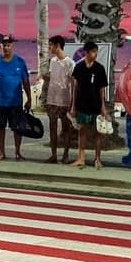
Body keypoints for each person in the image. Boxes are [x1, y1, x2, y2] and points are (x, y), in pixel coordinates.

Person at [0, 36, 31, 161]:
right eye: (4, 45)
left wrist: (29, 99)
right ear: (1, 46)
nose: (6, 47)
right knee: (0, 128)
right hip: (0, 101)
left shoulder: (20, 62)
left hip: (16, 102)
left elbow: (26, 82)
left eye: (8, 45)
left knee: (18, 128)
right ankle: (1, 152)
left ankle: (17, 152)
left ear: (12, 46)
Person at [69, 40, 108, 169]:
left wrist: (103, 106)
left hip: (96, 104)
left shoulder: (99, 68)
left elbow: (102, 89)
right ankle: (81, 158)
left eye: (96, 52)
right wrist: (73, 106)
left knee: (98, 132)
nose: (94, 54)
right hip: (82, 104)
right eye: (92, 52)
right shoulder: (79, 67)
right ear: (86, 52)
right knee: (82, 131)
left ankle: (97, 158)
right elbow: (75, 87)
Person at [41, 35, 74, 164]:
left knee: (66, 129)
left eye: (51, 45)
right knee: (52, 127)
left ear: (57, 45)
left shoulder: (70, 63)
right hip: (52, 98)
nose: (49, 47)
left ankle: (65, 155)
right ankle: (53, 154)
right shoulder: (53, 61)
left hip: (65, 100)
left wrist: (72, 102)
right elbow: (53, 76)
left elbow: (72, 82)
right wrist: (46, 77)